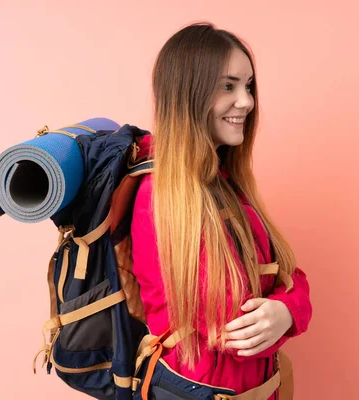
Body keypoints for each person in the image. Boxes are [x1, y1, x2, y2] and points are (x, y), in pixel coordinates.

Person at [130, 22, 312, 400]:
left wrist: (288, 310)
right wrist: (289, 308)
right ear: (189, 93)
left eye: (248, 86)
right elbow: (237, 331)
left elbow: (289, 272)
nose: (246, 101)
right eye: (228, 86)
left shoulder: (228, 184)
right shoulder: (161, 198)